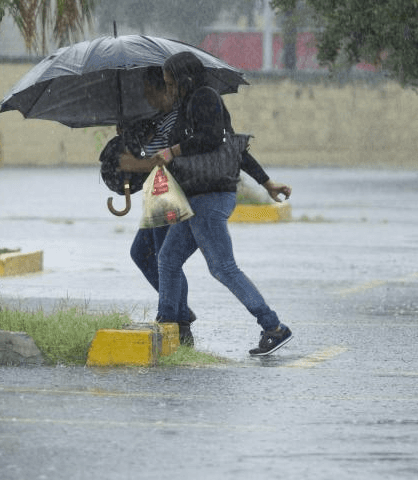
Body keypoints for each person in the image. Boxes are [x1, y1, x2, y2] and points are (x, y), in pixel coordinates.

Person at [118, 66, 291, 347]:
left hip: (210, 198)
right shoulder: (186, 108)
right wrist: (268, 183)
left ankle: (273, 326)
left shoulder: (205, 98)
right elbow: (232, 148)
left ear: (184, 79)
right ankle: (169, 324)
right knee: (168, 259)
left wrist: (173, 150)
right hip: (194, 198)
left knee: (223, 267)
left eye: (171, 83)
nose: (169, 90)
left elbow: (216, 140)